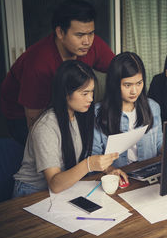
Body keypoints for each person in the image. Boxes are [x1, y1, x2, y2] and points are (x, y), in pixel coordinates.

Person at [0, 0, 115, 146]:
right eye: (79, 35)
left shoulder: (91, 44)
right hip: (21, 116)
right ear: (60, 33)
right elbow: (34, 123)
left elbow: (119, 69)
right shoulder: (38, 65)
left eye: (91, 33)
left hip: (65, 106)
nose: (87, 41)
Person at [13, 60, 123, 197]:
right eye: (84, 93)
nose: (91, 99)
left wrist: (109, 169)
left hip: (64, 188)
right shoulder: (46, 127)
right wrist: (88, 164)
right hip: (31, 193)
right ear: (66, 93)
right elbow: (55, 184)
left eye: (92, 92)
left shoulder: (80, 115)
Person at [93, 52, 163, 168]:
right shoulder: (97, 113)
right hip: (117, 177)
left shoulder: (153, 107)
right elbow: (94, 155)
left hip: (148, 172)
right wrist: (110, 170)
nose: (134, 91)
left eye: (139, 83)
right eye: (127, 85)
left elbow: (159, 143)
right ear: (114, 84)